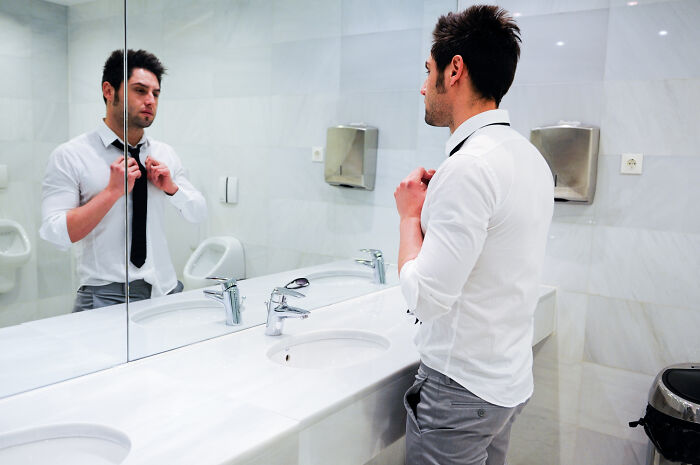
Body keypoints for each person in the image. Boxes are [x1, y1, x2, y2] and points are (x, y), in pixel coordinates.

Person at [394, 6, 554, 464]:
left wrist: (409, 217)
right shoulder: (528, 159)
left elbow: (425, 298)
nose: (424, 86)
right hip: (505, 385)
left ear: (455, 69)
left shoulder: (469, 168)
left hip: (458, 395)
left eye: (429, 71)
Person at [40, 49, 207, 312]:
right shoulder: (71, 155)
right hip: (106, 297)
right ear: (109, 91)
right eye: (140, 90)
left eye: (156, 93)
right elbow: (55, 233)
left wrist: (172, 189)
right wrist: (111, 193)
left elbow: (198, 213)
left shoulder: (164, 154)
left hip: (165, 289)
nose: (150, 100)